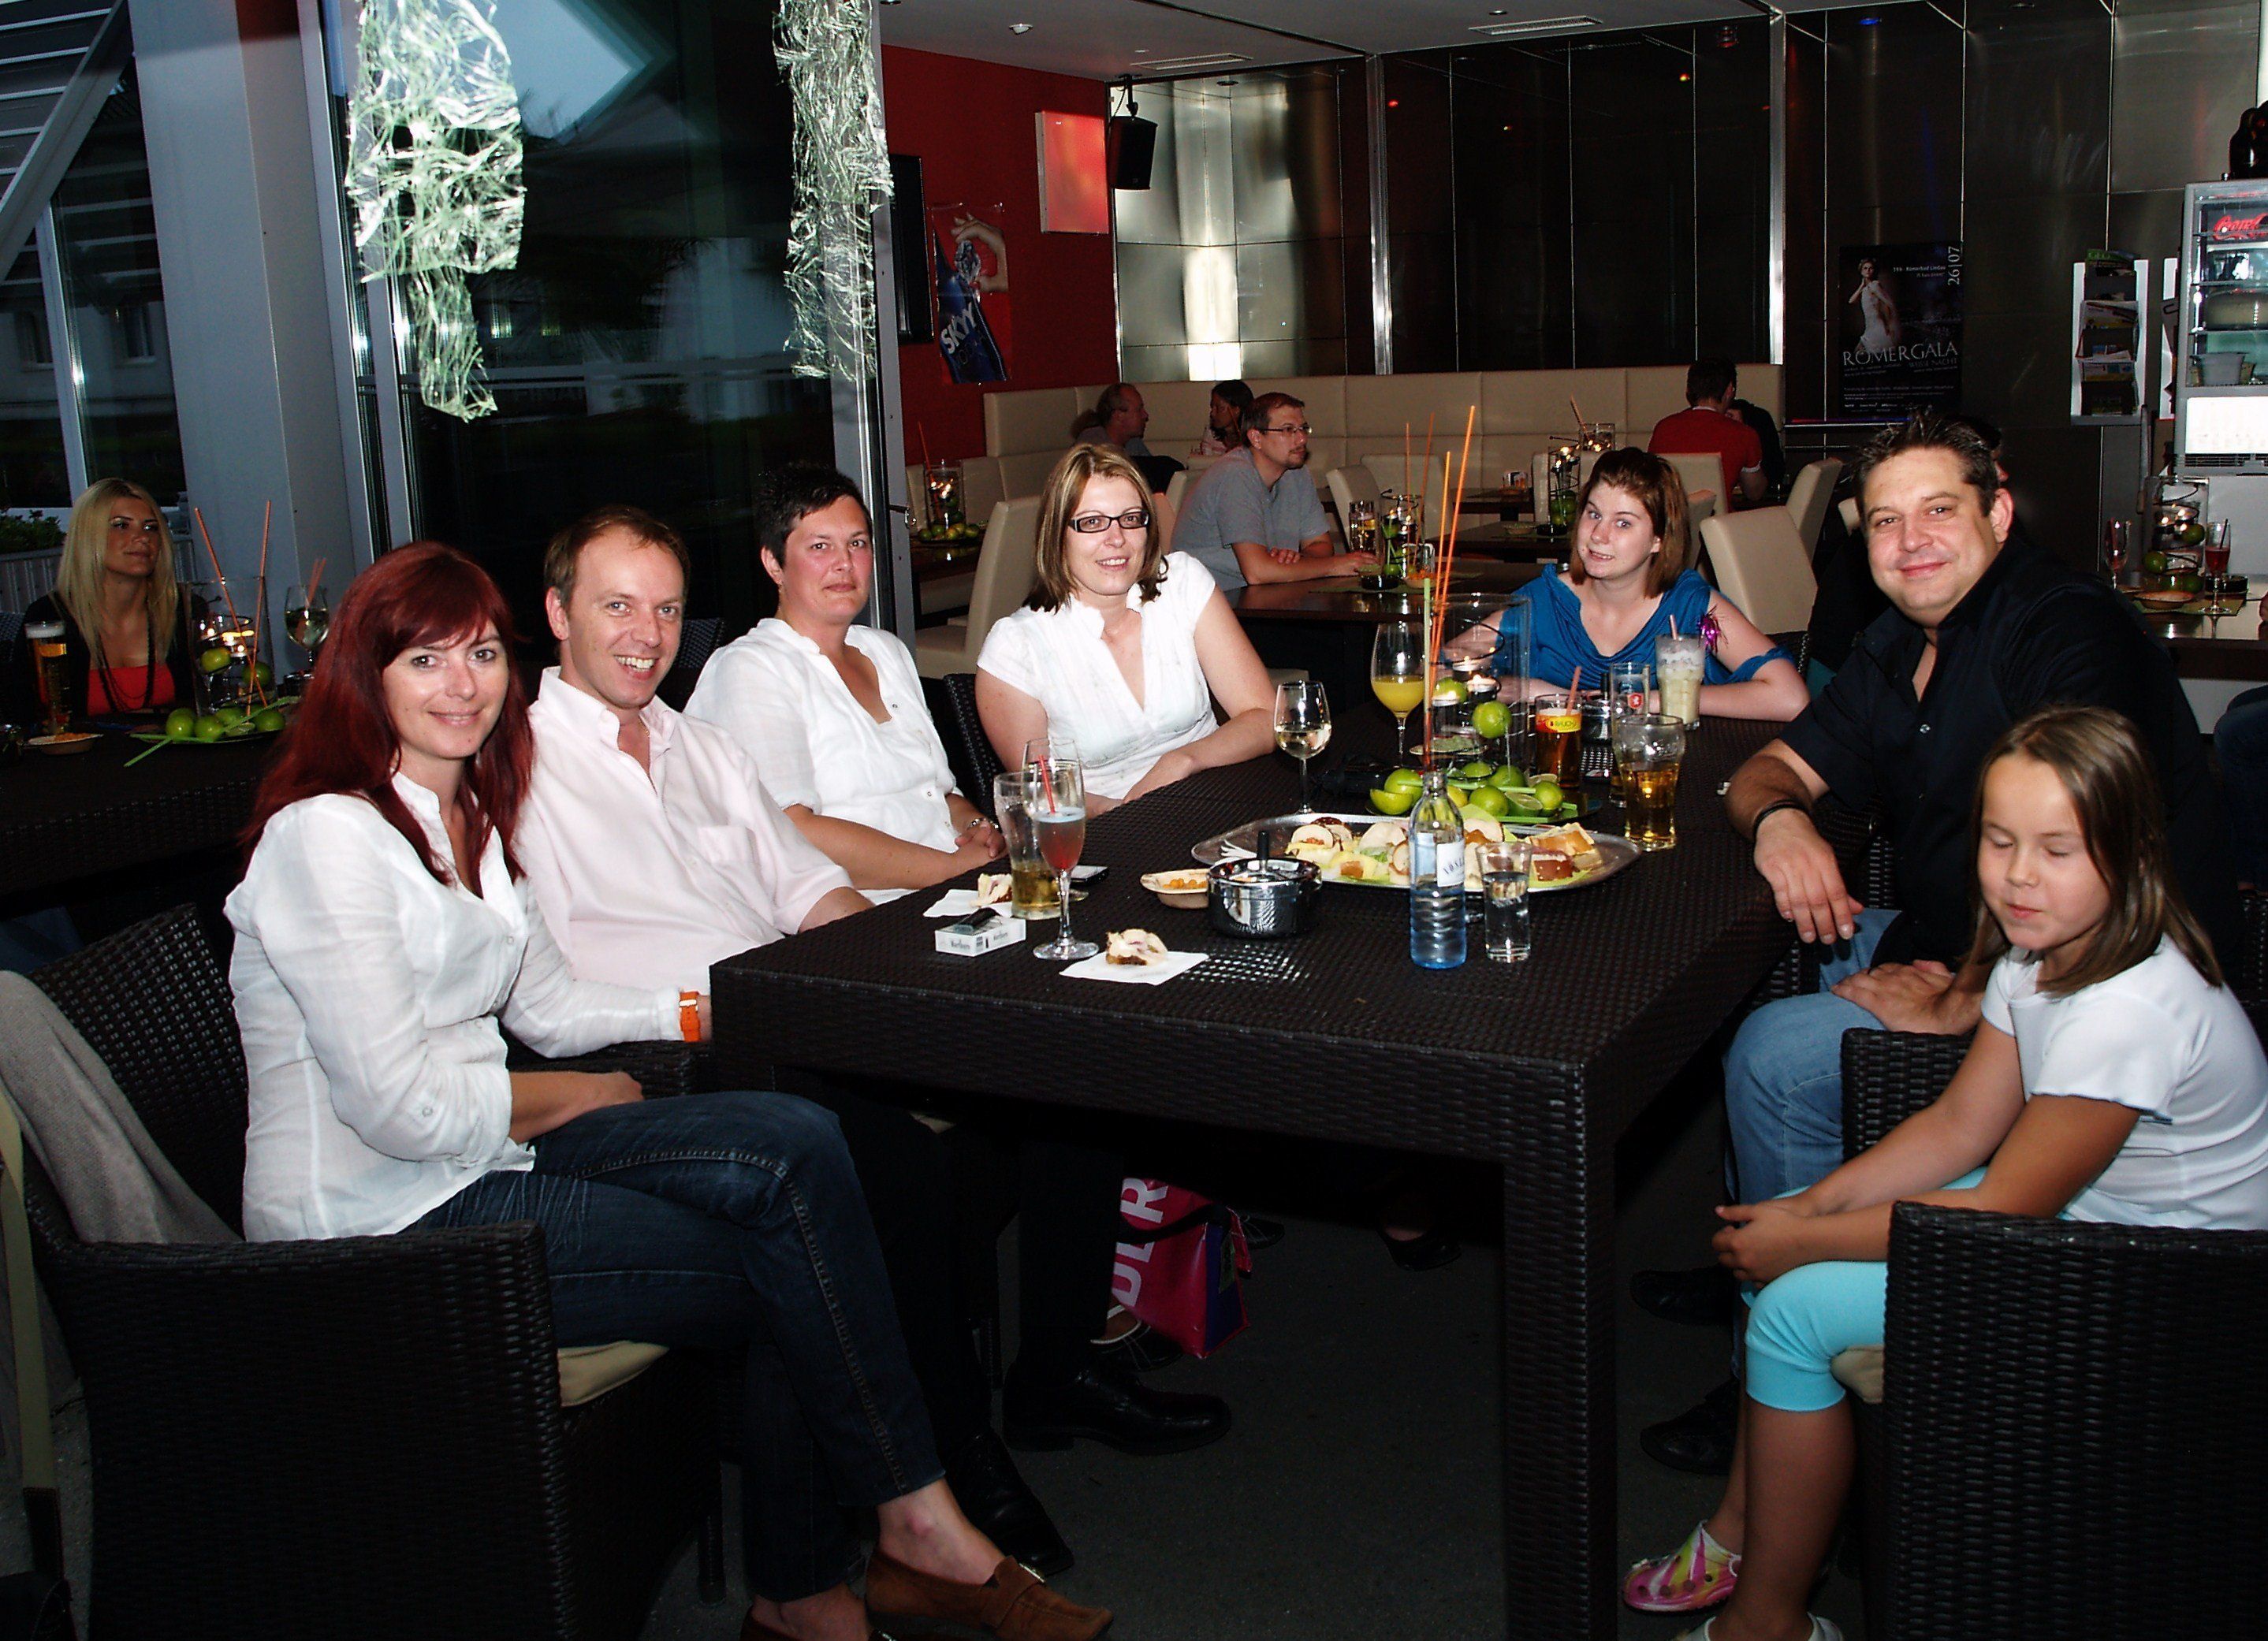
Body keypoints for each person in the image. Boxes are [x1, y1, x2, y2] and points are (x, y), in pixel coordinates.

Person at [226, 541, 1111, 1641]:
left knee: (796, 1146)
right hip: (377, 1223)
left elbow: (550, 1003)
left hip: (484, 1156)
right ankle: (868, 1558)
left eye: (482, 655)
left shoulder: (468, 823)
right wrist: (573, 1098)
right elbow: (397, 1109)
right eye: (426, 660)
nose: (463, 685)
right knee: (799, 1254)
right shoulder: (328, 835)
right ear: (367, 676)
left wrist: (718, 1008)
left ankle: (859, 1562)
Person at [526, 503, 1227, 1555]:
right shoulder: (517, 767)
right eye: (616, 606)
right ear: (557, 614)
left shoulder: (695, 744)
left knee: (1067, 1068)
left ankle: (1058, 1370)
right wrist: (730, 1006)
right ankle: (953, 1456)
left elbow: (801, 885)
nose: (646, 633)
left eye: (665, 610)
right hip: (682, 1053)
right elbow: (540, 1002)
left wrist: (874, 984)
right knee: (905, 1169)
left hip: (794, 1002)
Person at [1633, 411, 2238, 1475]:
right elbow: (1771, 771)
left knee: (1775, 1052)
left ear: (1997, 514)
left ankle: (1783, 1342)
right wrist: (1781, 825)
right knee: (1734, 959)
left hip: (2064, 982)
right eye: (1884, 522)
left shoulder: (2064, 633)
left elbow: (2085, 865)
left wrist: (1965, 997)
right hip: (1949, 944)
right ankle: (1759, 1233)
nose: (1910, 542)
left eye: (1938, 511)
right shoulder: (1900, 643)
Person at [1621, 705, 2268, 1640]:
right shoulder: (2037, 948)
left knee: (1793, 1307)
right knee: (1785, 1247)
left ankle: (1771, 1623)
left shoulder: (2127, 1011)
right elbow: (1962, 1125)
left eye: (2057, 850)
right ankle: (1744, 1533)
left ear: (2130, 855)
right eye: (2000, 842)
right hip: (2092, 1222)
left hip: (2171, 1295)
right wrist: (1814, 1205)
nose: (2018, 875)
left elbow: (2003, 1207)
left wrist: (1805, 1241)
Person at [686, 474, 1001, 902]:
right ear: (774, 564)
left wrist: (978, 829)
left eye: (857, 543)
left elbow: (935, 793)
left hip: (957, 890)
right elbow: (789, 831)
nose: (844, 563)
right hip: (865, 910)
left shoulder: (886, 651)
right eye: (820, 546)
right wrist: (950, 870)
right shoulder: (752, 669)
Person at [976, 442, 1276, 809]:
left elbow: (1264, 717)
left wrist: (1183, 761)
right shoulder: (1017, 646)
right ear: (1056, 535)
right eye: (1092, 522)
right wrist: (1131, 813)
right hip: (1104, 826)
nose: (1116, 538)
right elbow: (1045, 794)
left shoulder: (1182, 584)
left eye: (1131, 519)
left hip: (1214, 797)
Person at [1458, 448, 1807, 721]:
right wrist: (1532, 690)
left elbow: (1790, 697)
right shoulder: (1546, 601)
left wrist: (1647, 701)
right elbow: (1449, 662)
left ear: (1658, 539)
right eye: (1594, 514)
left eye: (1623, 523)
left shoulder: (1690, 606)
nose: (1598, 535)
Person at [15, 478, 199, 721]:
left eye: (151, 527)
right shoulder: (49, 617)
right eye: (121, 525)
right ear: (87, 536)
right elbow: (23, 715)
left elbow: (214, 703)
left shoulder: (185, 610)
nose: (142, 538)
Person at [1170, 392, 1378, 589]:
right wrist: (1335, 566)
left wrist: (1298, 560)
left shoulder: (1296, 472)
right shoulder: (1235, 474)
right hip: (1212, 600)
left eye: (1303, 429)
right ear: (1256, 438)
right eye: (1288, 430)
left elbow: (1320, 544)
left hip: (1263, 595)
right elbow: (1258, 573)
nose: (1302, 439)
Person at [1649, 359, 1767, 506]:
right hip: (1719, 519)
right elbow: (1755, 493)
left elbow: (1651, 484)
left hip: (1674, 518)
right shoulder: (1743, 434)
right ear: (1729, 390)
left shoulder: (1663, 428)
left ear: (1689, 390)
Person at [1849, 258, 1899, 357]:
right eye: (1865, 268)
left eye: (1871, 268)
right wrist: (1862, 285)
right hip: (1869, 326)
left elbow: (1889, 304)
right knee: (1866, 355)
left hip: (1877, 326)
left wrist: (1888, 324)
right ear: (1861, 271)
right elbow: (1851, 301)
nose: (1868, 270)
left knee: (1870, 355)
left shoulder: (1875, 285)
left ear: (1874, 271)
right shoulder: (1865, 288)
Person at [1191, 378, 1253, 457]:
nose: (1213, 413)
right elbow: (1207, 462)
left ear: (1236, 410)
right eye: (1212, 407)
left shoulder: (1253, 436)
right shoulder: (1211, 435)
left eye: (1220, 408)